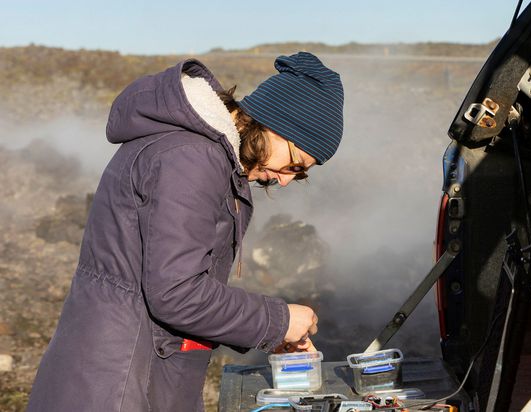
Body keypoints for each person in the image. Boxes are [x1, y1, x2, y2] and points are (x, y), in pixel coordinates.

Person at [27, 52, 344, 412]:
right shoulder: (192, 158)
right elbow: (176, 293)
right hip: (120, 381)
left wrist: (266, 332)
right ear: (274, 124)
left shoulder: (196, 151)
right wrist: (279, 320)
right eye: (294, 164)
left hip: (126, 364)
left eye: (299, 174)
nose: (285, 180)